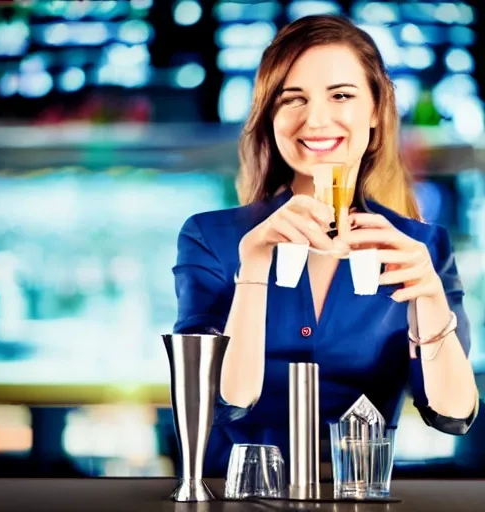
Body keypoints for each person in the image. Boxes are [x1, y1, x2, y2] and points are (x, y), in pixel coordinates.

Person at [172, 14, 479, 477]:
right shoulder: (211, 238)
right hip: (234, 498)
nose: (315, 120)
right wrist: (253, 267)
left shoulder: (420, 248)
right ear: (269, 117)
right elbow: (222, 404)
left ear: (376, 110)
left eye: (341, 95)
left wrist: (432, 299)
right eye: (291, 99)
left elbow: (452, 415)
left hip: (362, 497)